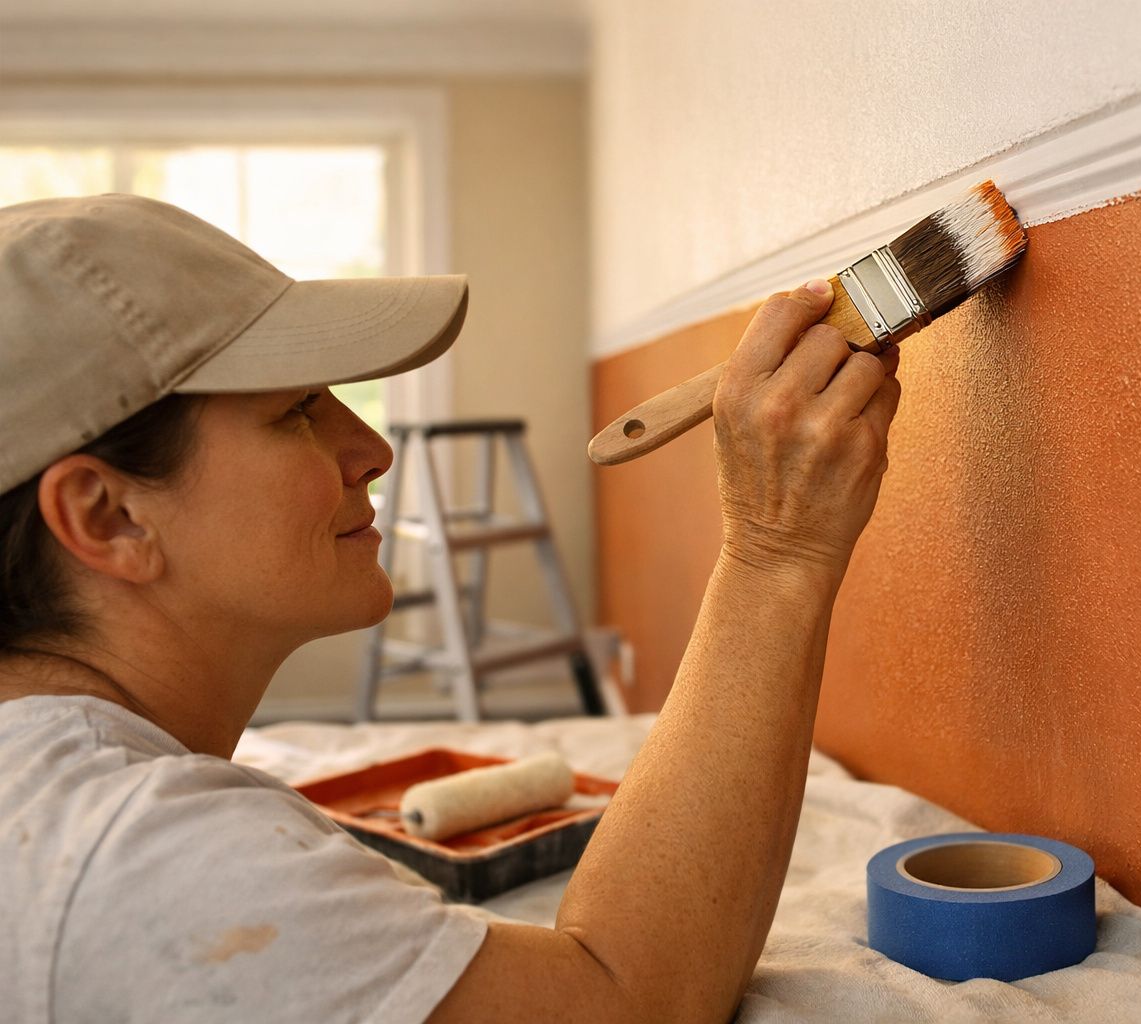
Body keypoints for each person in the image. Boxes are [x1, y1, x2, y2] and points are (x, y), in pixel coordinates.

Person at [0, 194, 901, 1023]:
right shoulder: (146, 861)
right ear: (108, 515)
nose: (372, 448)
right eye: (299, 412)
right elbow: (629, 1000)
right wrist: (777, 553)